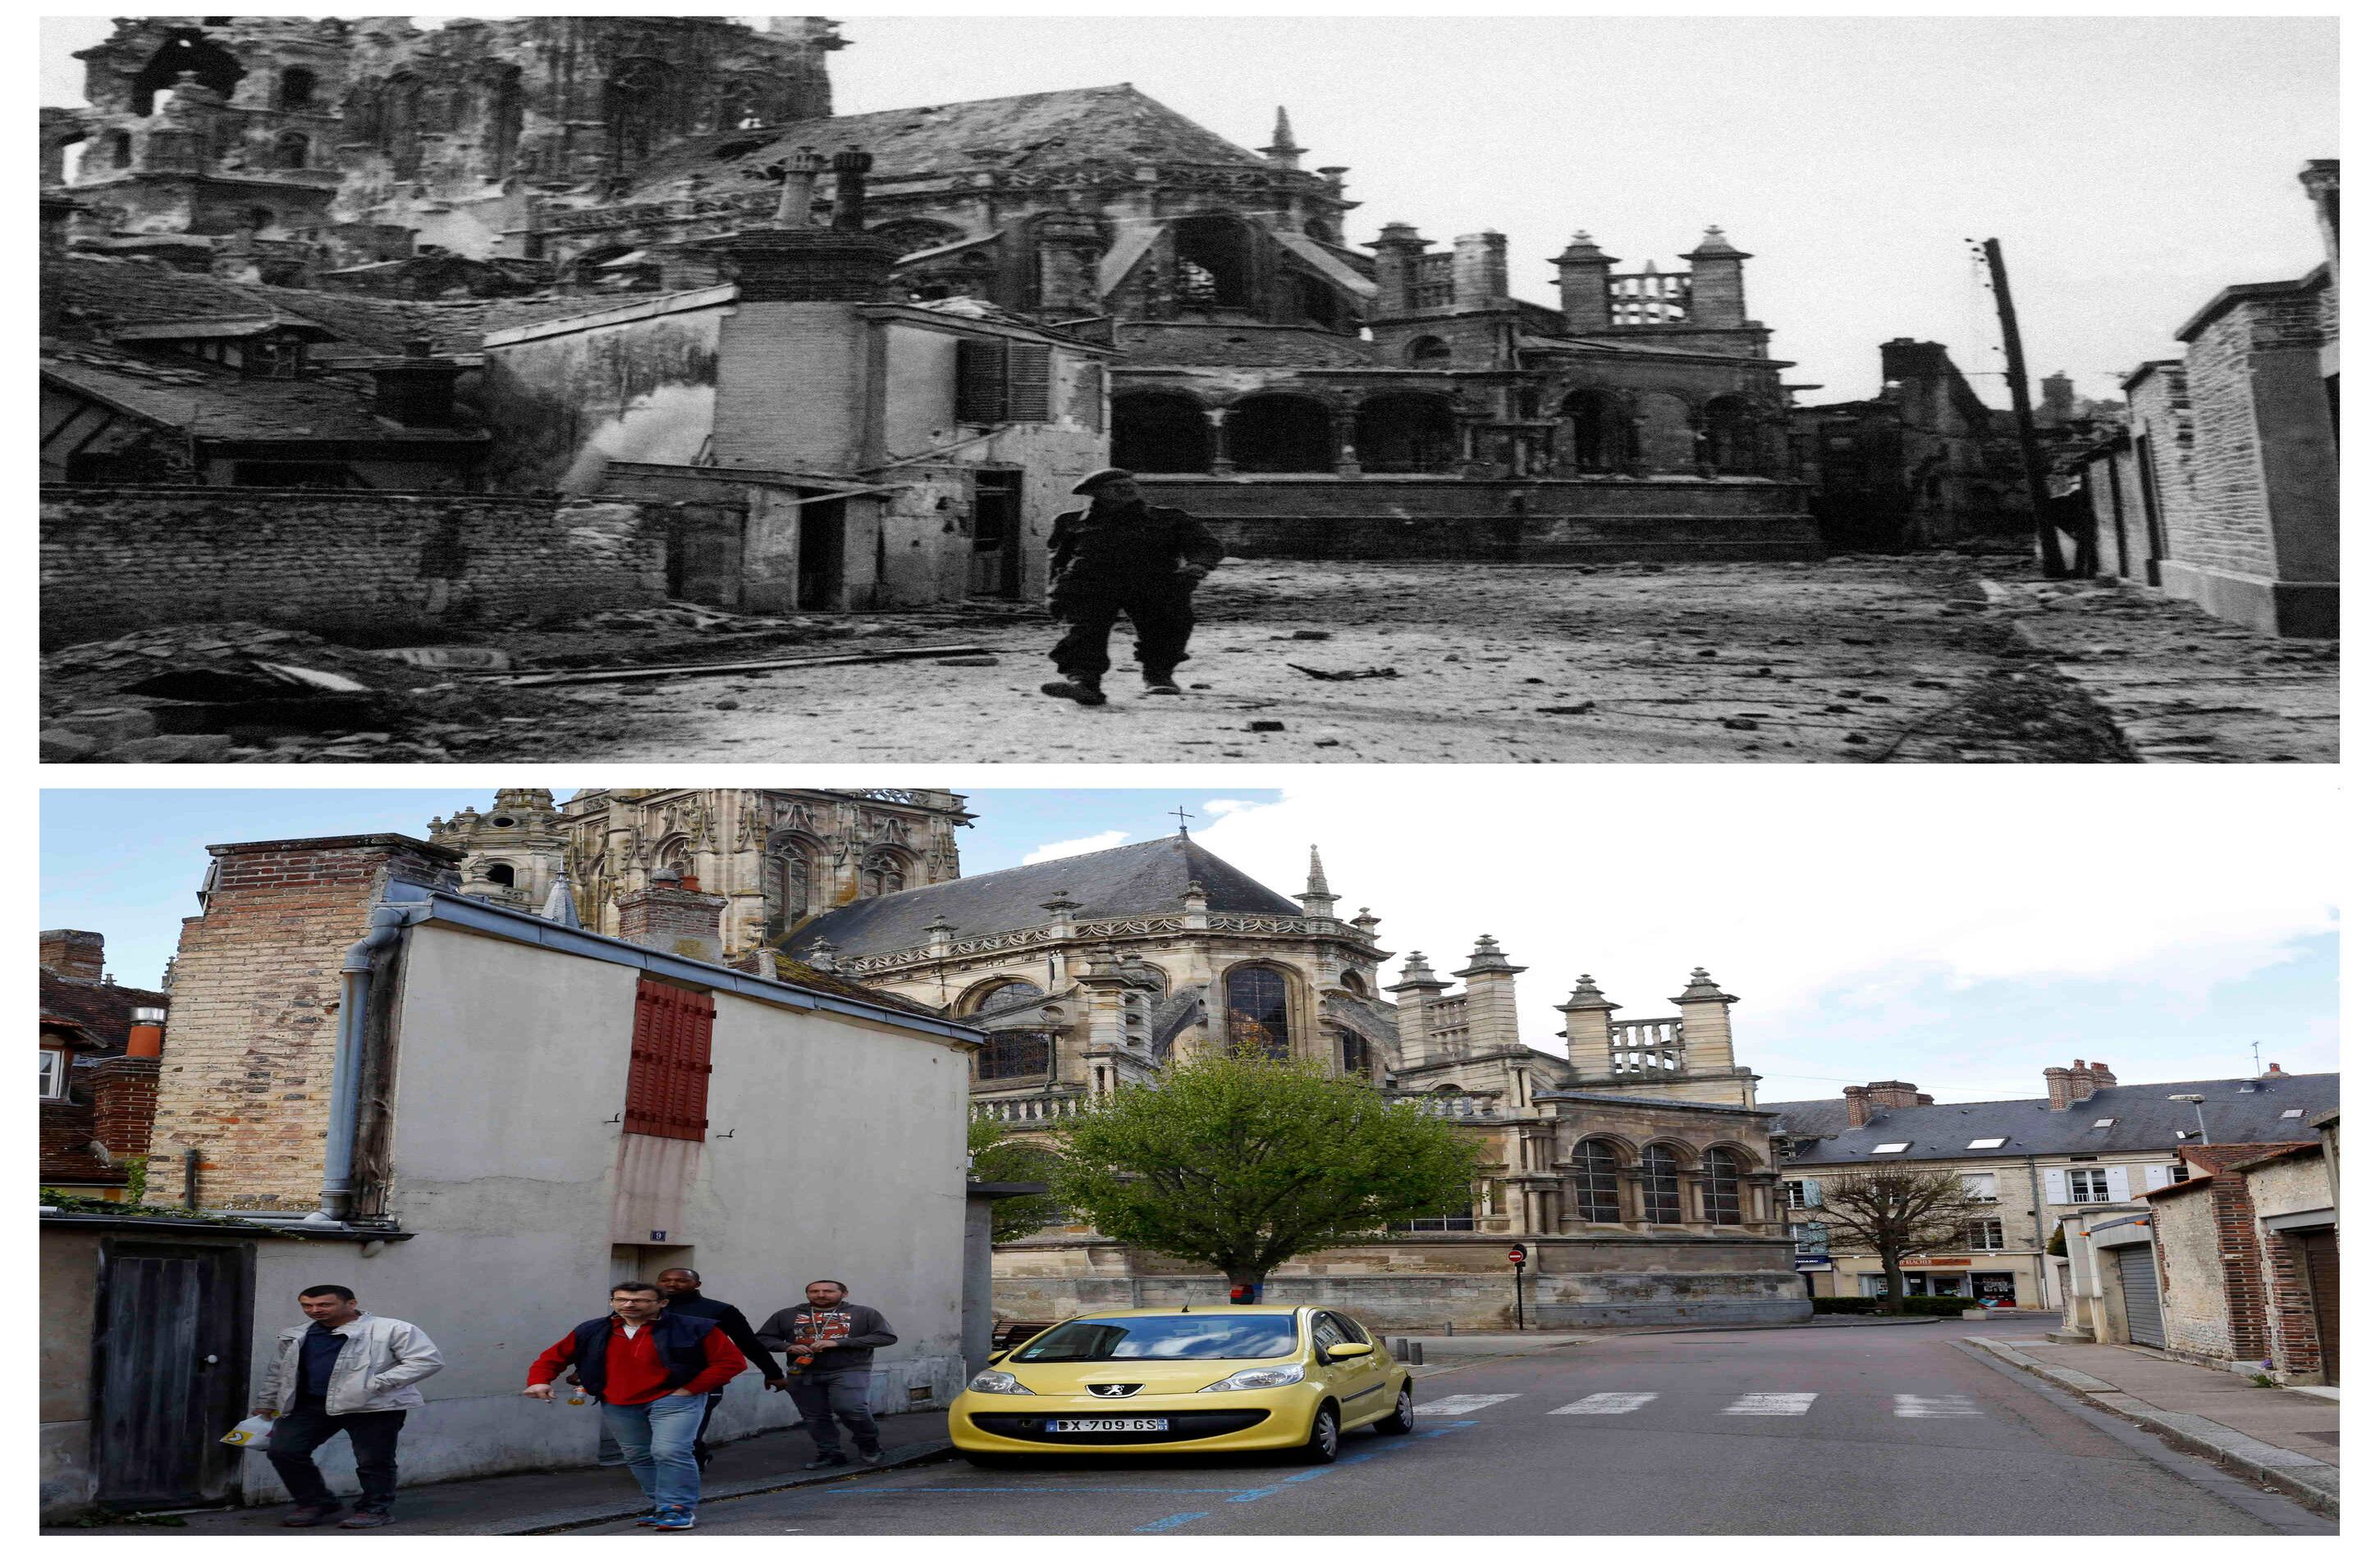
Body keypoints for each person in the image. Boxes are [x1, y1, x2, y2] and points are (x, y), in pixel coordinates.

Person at [524, 1282, 745, 1533]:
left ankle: (677, 1509)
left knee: (670, 1451)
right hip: (619, 1401)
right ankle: (661, 1506)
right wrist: (539, 1381)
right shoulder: (593, 1330)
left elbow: (730, 1362)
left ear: (662, 1303)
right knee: (638, 1455)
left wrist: (689, 1389)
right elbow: (554, 1356)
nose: (629, 1305)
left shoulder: (694, 1327)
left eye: (640, 1300)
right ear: (612, 1302)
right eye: (621, 1300)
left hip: (674, 1398)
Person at [257, 1284, 444, 1530]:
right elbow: (280, 1370)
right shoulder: (296, 1334)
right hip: (311, 1405)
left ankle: (374, 1509)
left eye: (324, 1304)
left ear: (351, 1304)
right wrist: (267, 1401)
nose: (315, 1310)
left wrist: (376, 1384)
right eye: (307, 1305)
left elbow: (426, 1360)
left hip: (372, 1405)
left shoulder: (391, 1329)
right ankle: (317, 1502)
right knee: (284, 1451)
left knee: (374, 1461)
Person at [1041, 468, 1224, 706]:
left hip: (1154, 583)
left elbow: (1207, 546)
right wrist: (1054, 591)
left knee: (1167, 627)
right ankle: (1084, 683)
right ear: (1095, 493)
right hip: (1090, 585)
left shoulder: (1170, 518)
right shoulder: (1070, 521)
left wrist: (1197, 567)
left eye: (1130, 484)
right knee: (1082, 632)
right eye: (1116, 486)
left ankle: (1158, 675)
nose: (1127, 488)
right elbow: (1057, 560)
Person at [754, 1281, 899, 1469]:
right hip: (802, 1372)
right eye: (814, 1291)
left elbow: (886, 1337)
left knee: (851, 1408)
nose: (820, 1294)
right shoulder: (786, 1315)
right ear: (807, 1294)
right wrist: (787, 1346)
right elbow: (763, 1339)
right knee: (815, 1417)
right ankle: (830, 1453)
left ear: (844, 1293)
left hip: (849, 1369)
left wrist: (839, 1343)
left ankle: (869, 1445)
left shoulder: (864, 1313)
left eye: (828, 1291)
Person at [652, 1268, 786, 1471]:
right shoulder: (643, 1308)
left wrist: (773, 1373)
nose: (672, 1284)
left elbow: (748, 1343)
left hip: (700, 1381)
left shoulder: (719, 1310)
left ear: (697, 1284)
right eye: (665, 1280)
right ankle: (678, 1467)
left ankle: (686, 1476)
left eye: (681, 1280)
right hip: (649, 1380)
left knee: (688, 1433)